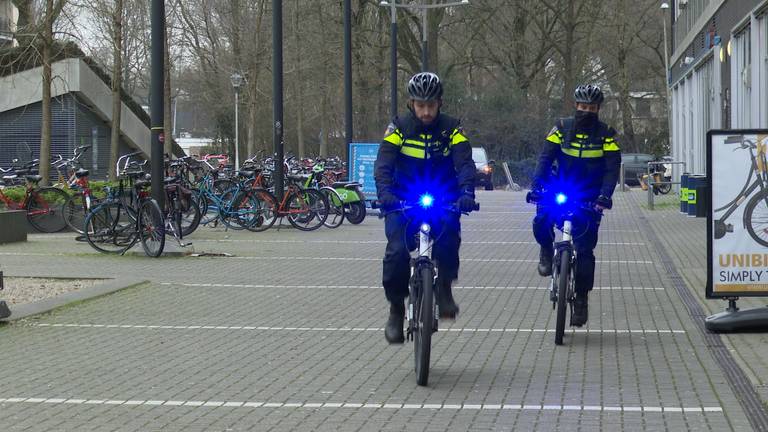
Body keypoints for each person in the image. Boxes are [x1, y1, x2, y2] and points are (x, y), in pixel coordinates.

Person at [374, 72, 476, 344]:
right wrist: (384, 193)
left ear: (440, 103)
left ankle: (444, 288)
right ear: (412, 104)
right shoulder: (398, 128)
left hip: (443, 197)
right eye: (421, 105)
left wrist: (466, 192)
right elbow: (384, 163)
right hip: (401, 199)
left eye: (431, 105)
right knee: (396, 253)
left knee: (449, 239)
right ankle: (396, 309)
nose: (426, 111)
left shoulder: (452, 128)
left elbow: (464, 163)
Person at [530, 84, 621, 326]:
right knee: (541, 219)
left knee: (584, 253)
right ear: (575, 106)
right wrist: (537, 185)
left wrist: (605, 196)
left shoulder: (606, 134)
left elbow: (612, 169)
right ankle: (547, 250)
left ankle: (581, 298)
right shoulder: (561, 128)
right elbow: (545, 157)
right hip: (560, 189)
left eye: (591, 108)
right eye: (582, 107)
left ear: (598, 109)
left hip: (590, 198)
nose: (586, 111)